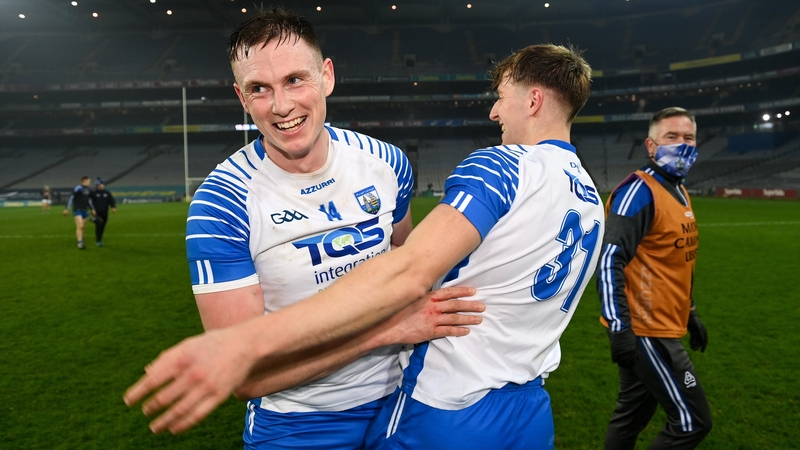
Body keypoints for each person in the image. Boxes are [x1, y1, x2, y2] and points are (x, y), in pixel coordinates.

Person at [125, 41, 603, 449]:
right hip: (302, 425)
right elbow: (250, 377)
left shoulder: (397, 163)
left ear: (326, 76)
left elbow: (410, 271)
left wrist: (243, 343)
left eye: (295, 80)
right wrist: (387, 329)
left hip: (415, 401)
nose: (281, 104)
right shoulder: (220, 201)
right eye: (259, 88)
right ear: (241, 97)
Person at [596, 107, 712, 449]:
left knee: (630, 418)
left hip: (666, 323)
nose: (682, 145)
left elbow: (677, 262)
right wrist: (620, 329)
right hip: (647, 330)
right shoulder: (638, 191)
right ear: (651, 146)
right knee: (693, 422)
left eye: (688, 138)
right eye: (671, 138)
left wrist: (689, 312)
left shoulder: (680, 190)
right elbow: (609, 260)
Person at [63, 176, 96, 250]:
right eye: (88, 181)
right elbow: (71, 197)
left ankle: (81, 240)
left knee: (83, 227)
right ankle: (80, 242)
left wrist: (92, 209)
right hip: (77, 209)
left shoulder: (88, 189)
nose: (89, 182)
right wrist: (67, 209)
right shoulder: (79, 188)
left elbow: (89, 201)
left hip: (85, 210)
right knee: (80, 226)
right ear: (84, 181)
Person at [89, 178, 116, 246]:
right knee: (99, 225)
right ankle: (98, 240)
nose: (102, 185)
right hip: (97, 212)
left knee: (103, 226)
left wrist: (113, 207)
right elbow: (88, 201)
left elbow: (111, 200)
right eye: (100, 184)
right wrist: (92, 209)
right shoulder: (93, 192)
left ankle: (99, 239)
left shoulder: (106, 192)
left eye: (102, 184)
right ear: (97, 185)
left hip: (105, 211)